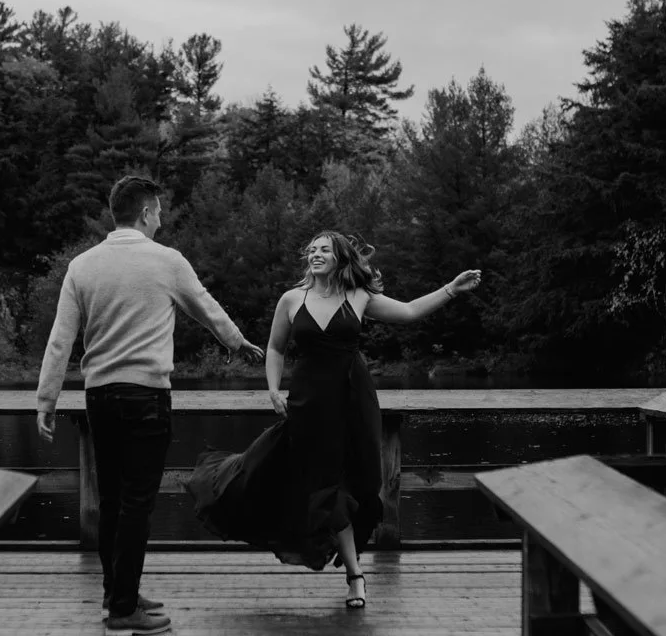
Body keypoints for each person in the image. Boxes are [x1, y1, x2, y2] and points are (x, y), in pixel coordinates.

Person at [185, 231, 481, 608]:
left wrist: (451, 290)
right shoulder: (293, 299)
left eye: (324, 249)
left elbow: (408, 313)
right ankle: (355, 577)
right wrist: (273, 390)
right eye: (311, 249)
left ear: (341, 257)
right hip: (310, 404)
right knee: (324, 484)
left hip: (355, 401)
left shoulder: (359, 296)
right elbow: (276, 348)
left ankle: (351, 560)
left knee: (364, 482)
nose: (315, 254)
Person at [37, 175, 265, 636]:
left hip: (100, 397)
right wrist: (237, 343)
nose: (161, 220)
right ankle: (124, 614)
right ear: (144, 213)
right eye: (158, 212)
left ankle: (115, 594)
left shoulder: (82, 266)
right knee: (137, 505)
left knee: (113, 501)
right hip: (146, 397)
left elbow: (61, 339)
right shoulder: (166, 262)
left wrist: (46, 399)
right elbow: (206, 308)